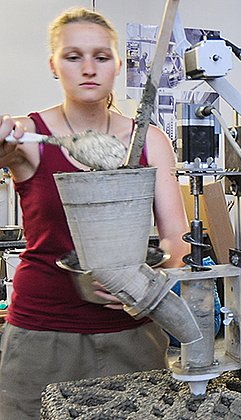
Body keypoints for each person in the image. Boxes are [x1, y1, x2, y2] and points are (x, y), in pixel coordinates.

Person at [0, 8, 189, 419]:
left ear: (118, 65)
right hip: (42, 334)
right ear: (54, 65)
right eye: (73, 56)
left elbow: (176, 238)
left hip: (132, 332)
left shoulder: (148, 140)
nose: (88, 68)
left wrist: (146, 285)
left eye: (101, 57)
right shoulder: (27, 137)